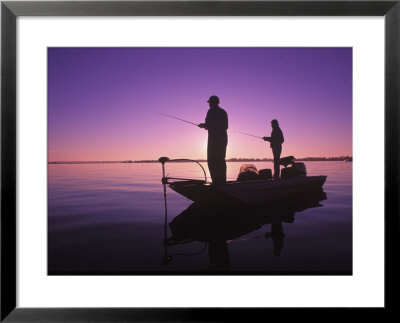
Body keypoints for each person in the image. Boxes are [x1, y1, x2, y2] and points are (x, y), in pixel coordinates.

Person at [198, 95, 228, 184]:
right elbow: (225, 126)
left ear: (212, 103)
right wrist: (206, 125)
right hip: (223, 138)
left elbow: (210, 124)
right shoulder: (223, 111)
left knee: (212, 160)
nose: (209, 104)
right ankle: (222, 181)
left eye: (210, 103)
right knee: (220, 160)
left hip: (214, 139)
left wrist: (204, 125)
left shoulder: (211, 111)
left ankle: (217, 182)